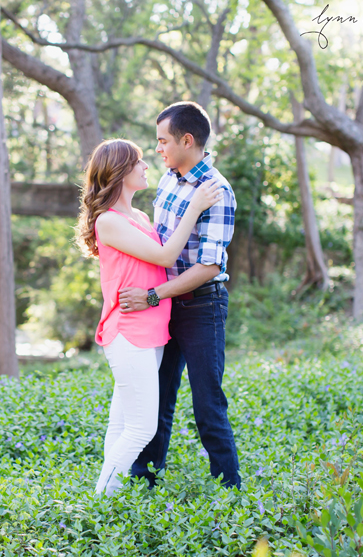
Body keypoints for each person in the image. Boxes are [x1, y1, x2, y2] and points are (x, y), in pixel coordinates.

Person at [76, 138, 224, 496]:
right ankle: (100, 500)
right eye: (139, 162)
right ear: (120, 172)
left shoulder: (139, 217)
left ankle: (106, 500)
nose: (146, 167)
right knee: (142, 428)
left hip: (151, 330)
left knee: (122, 422)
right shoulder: (109, 222)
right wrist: (195, 205)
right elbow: (164, 256)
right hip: (128, 332)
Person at [118, 101, 241, 489]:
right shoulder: (170, 177)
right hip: (163, 305)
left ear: (187, 140)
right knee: (156, 398)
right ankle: (144, 485)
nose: (158, 149)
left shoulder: (217, 192)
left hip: (202, 306)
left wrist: (151, 295)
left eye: (163, 141)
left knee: (208, 404)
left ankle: (230, 492)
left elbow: (207, 267)